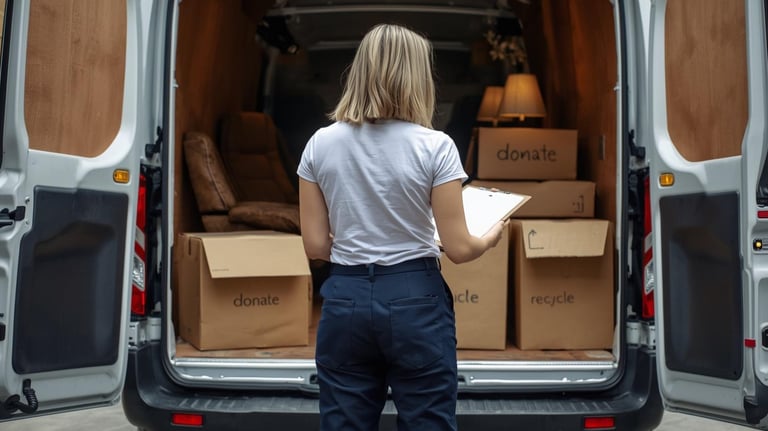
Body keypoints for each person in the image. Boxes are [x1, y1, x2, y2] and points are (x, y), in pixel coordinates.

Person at [297, 23, 506, 431]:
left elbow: (316, 245)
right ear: (417, 77)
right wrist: (492, 234)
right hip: (415, 299)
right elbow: (460, 248)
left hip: (346, 300)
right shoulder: (435, 146)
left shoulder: (319, 143)